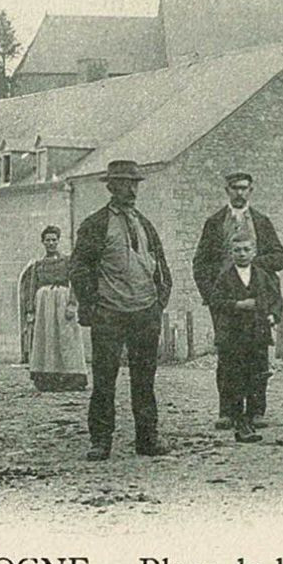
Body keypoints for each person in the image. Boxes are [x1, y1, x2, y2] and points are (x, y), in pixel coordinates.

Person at [68, 159, 174, 461]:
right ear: (111, 186)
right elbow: (79, 268)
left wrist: (159, 299)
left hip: (144, 312)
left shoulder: (145, 224)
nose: (131, 189)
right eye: (125, 183)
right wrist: (92, 305)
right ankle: (101, 441)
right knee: (104, 381)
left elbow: (161, 265)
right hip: (110, 313)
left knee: (145, 380)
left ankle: (147, 439)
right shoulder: (95, 224)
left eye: (135, 183)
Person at [192, 171, 283, 430]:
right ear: (226, 190)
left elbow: (280, 257)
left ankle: (257, 411)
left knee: (257, 356)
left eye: (244, 188)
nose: (239, 193)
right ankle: (228, 412)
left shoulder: (262, 222)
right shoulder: (214, 223)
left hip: (257, 301)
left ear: (251, 190)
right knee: (228, 357)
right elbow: (200, 263)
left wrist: (253, 262)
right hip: (225, 302)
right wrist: (212, 296)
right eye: (234, 188)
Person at [207, 238, 282, 444]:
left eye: (246, 249)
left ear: (254, 252)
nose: (242, 253)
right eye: (237, 250)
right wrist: (238, 304)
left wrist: (273, 316)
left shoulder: (263, 276)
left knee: (258, 374)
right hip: (233, 335)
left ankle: (256, 413)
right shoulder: (224, 277)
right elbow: (215, 301)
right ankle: (234, 416)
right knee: (233, 375)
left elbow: (276, 300)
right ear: (231, 253)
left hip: (257, 334)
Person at [21, 225, 87, 392]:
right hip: (44, 303)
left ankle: (71, 376)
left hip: (63, 299)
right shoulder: (37, 264)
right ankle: (47, 376)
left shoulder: (68, 261)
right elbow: (31, 287)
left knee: (66, 337)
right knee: (46, 338)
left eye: (54, 240)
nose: (51, 243)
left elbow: (75, 283)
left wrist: (72, 303)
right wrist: (30, 310)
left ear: (58, 241)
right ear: (43, 242)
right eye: (47, 240)